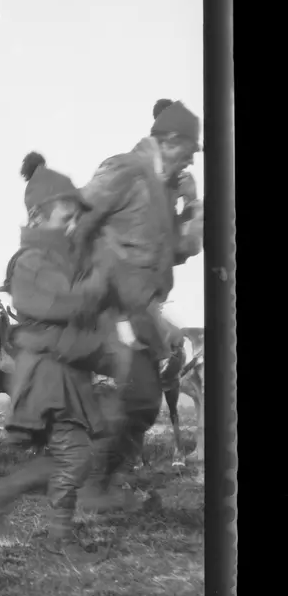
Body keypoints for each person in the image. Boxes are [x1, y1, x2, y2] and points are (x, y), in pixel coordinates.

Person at [0, 154, 114, 556]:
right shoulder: (31, 262)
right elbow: (64, 311)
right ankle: (60, 539)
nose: (71, 227)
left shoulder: (58, 261)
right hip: (50, 376)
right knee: (77, 455)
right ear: (36, 218)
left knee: (73, 454)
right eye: (63, 219)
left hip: (64, 374)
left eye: (74, 219)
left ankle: (2, 495)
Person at [73, 99, 203, 509]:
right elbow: (77, 216)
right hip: (105, 304)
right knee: (136, 391)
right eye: (188, 151)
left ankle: (105, 479)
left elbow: (179, 250)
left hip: (140, 311)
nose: (190, 162)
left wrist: (194, 210)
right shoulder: (125, 169)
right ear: (169, 141)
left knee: (146, 399)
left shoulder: (166, 191)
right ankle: (92, 483)